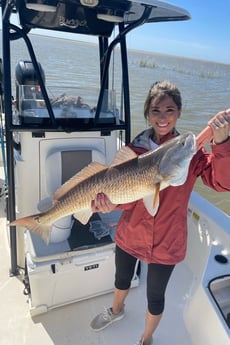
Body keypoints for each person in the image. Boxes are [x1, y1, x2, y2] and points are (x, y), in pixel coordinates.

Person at [89, 80, 230, 345]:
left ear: (178, 112)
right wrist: (110, 204)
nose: (162, 117)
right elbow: (127, 197)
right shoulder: (135, 150)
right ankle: (116, 311)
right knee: (121, 279)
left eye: (169, 109)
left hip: (167, 241)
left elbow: (222, 183)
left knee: (156, 296)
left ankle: (147, 337)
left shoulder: (191, 152)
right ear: (147, 114)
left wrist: (221, 144)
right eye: (156, 110)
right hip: (131, 234)